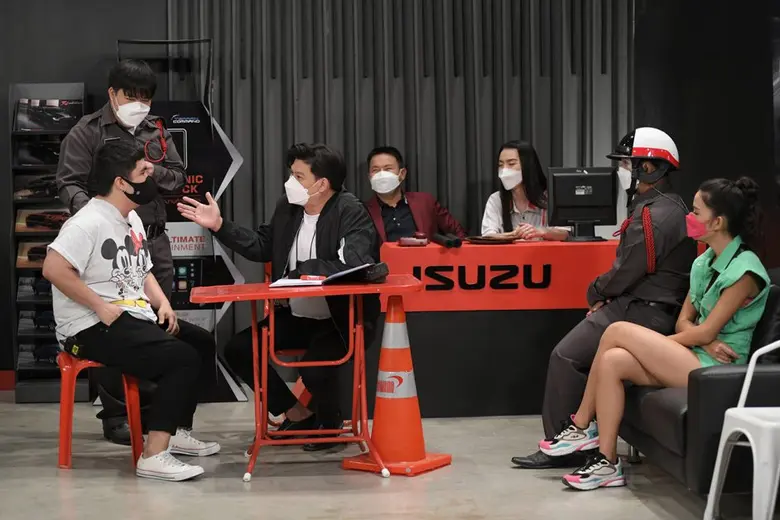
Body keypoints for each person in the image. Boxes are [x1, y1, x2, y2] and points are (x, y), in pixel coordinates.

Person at [539, 176, 770, 491]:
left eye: (696, 212)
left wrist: (682, 341)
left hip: (720, 369)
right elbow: (685, 323)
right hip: (696, 353)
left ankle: (581, 424)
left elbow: (705, 331)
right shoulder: (703, 262)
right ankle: (607, 462)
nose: (689, 217)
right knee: (613, 360)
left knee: (617, 331)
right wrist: (703, 339)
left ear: (717, 222)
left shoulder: (744, 270)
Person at [512, 127, 697, 469]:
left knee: (565, 356)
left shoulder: (654, 215)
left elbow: (626, 270)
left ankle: (565, 442)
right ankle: (580, 437)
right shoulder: (662, 206)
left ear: (649, 168)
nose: (622, 170)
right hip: (640, 304)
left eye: (628, 164)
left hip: (642, 309)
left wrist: (595, 292)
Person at [178, 143, 380, 451]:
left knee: (314, 366)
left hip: (342, 318)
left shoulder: (350, 210)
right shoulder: (288, 207)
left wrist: (302, 271)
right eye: (291, 174)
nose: (289, 183)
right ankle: (298, 414)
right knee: (240, 349)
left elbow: (355, 263)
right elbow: (262, 246)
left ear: (322, 184)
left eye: (299, 176)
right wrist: (219, 225)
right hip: (298, 313)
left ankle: (331, 425)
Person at [56, 59, 214, 445]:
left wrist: (150, 170)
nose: (139, 104)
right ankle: (117, 416)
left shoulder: (155, 129)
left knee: (157, 327)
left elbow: (178, 177)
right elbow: (68, 182)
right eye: (132, 96)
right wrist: (102, 218)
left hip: (150, 239)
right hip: (103, 245)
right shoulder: (87, 131)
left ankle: (161, 417)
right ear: (113, 94)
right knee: (114, 330)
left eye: (146, 97)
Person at [43, 140, 220, 482]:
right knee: (180, 358)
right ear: (121, 183)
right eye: (143, 172)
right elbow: (53, 268)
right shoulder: (87, 222)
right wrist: (100, 306)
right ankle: (153, 455)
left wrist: (162, 302)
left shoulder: (131, 218)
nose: (150, 177)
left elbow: (143, 269)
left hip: (132, 314)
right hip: (88, 326)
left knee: (199, 343)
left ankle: (175, 431)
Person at [363, 146, 467, 242]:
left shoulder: (426, 202)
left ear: (402, 174)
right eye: (375, 170)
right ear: (369, 177)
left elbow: (458, 232)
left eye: (388, 169)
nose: (381, 174)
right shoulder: (363, 212)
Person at [480, 140, 568, 240]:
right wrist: (514, 235)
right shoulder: (496, 199)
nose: (504, 170)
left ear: (528, 166)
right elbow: (487, 236)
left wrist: (542, 232)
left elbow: (565, 233)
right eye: (500, 165)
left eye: (511, 164)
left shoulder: (551, 197)